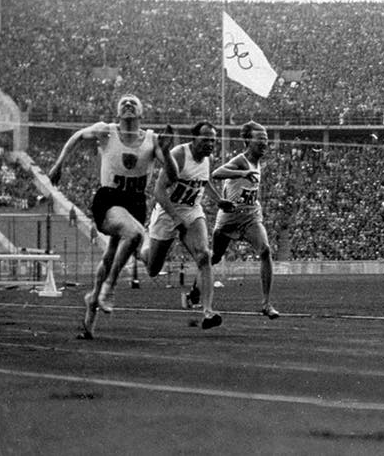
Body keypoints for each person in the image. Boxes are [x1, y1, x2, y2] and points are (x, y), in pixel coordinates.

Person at [48, 94, 174, 339]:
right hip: (109, 199)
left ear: (141, 114)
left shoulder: (152, 139)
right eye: (123, 102)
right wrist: (59, 164)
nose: (128, 104)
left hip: (136, 203)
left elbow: (173, 174)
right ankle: (109, 289)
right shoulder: (106, 131)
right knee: (136, 234)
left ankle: (90, 313)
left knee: (110, 256)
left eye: (133, 102)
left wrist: (167, 153)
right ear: (118, 112)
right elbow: (76, 137)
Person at [183, 120, 279, 319]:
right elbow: (217, 173)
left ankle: (266, 304)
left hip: (251, 216)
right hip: (228, 219)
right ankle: (194, 292)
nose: (264, 143)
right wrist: (242, 173)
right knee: (214, 257)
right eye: (260, 139)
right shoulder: (242, 160)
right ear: (247, 141)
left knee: (266, 250)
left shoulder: (258, 161)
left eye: (266, 139)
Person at [140, 121, 230, 329]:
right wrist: (174, 217)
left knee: (204, 255)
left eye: (213, 141)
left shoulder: (207, 159)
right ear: (194, 139)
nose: (210, 144)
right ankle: (141, 247)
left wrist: (218, 201)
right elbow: (159, 191)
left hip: (191, 210)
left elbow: (203, 181)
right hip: (167, 212)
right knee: (153, 268)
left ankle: (208, 312)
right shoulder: (179, 154)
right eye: (205, 139)